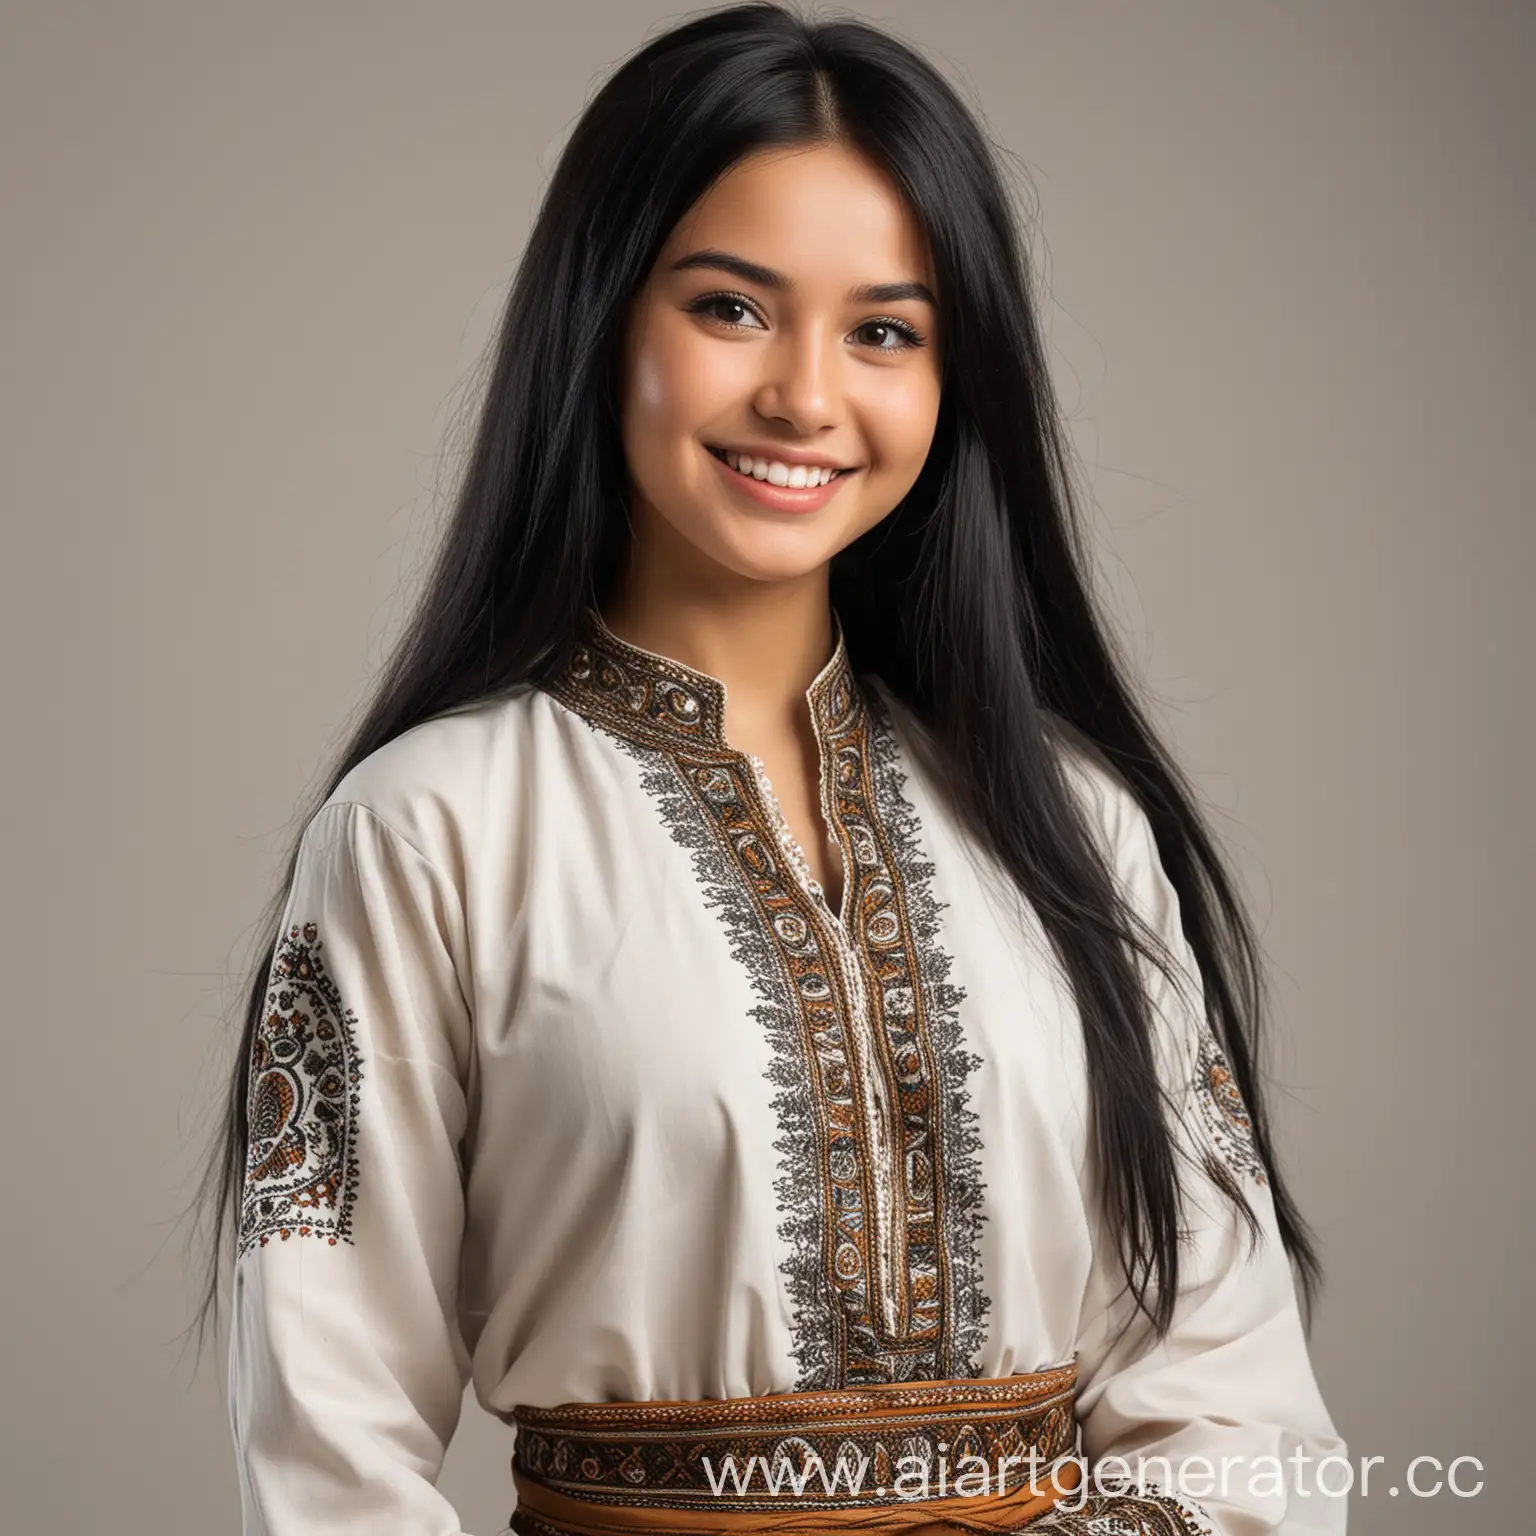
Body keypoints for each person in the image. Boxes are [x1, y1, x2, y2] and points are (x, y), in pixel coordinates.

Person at [192, 4, 1348, 1532]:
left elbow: (1234, 1397)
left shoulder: (1076, 826)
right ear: (602, 318)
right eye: (733, 309)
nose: (807, 396)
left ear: (955, 379)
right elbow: (329, 1454)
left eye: (885, 330)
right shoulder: (426, 835)